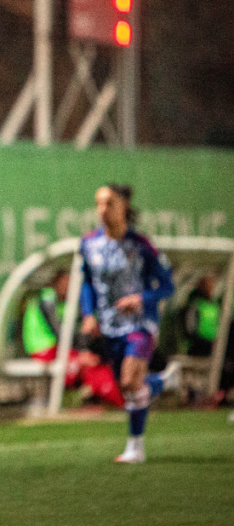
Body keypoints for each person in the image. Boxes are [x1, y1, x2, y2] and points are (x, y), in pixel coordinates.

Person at [79, 184, 179, 463]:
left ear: (123, 206)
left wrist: (142, 298)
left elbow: (167, 286)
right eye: (99, 203)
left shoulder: (141, 245)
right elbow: (87, 282)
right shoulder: (88, 243)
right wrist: (88, 314)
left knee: (129, 381)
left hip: (140, 324)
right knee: (127, 388)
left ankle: (135, 448)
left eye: (109, 202)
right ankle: (163, 381)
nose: (103, 209)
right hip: (109, 326)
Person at [22, 270, 124, 407]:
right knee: (87, 363)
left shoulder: (66, 301)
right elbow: (60, 333)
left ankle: (110, 397)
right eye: (65, 282)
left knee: (96, 360)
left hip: (57, 348)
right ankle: (114, 398)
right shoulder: (47, 298)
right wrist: (81, 351)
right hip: (44, 349)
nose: (68, 286)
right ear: (56, 282)